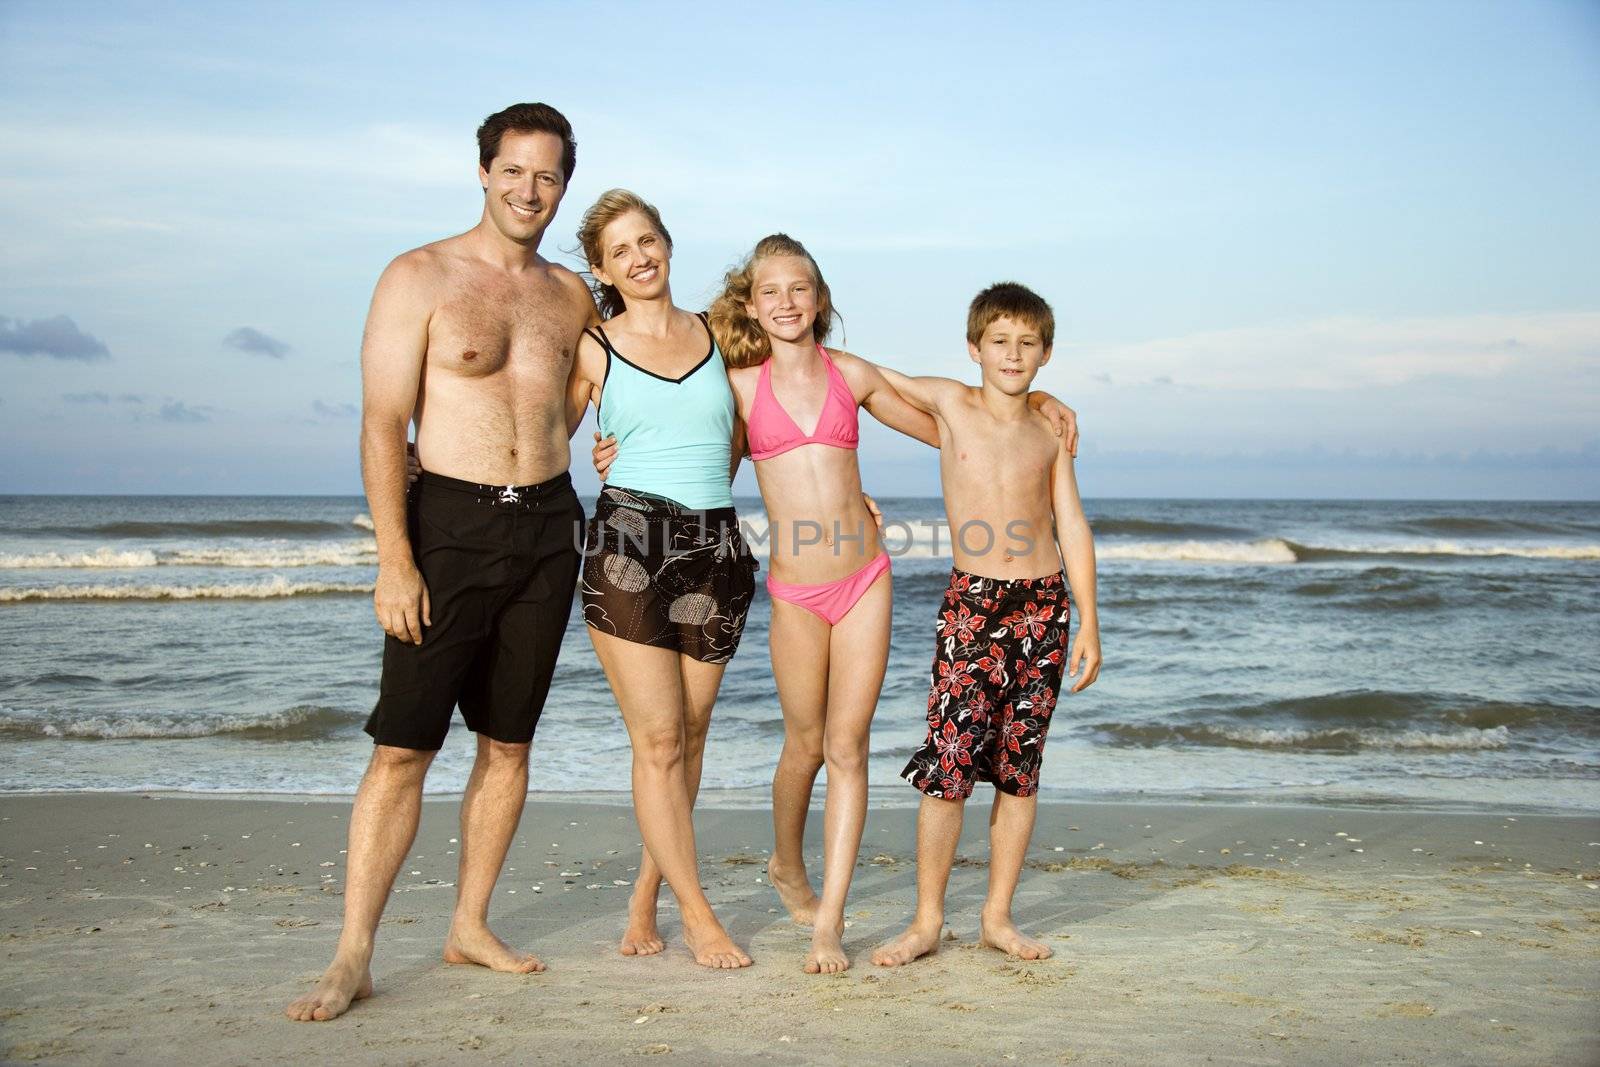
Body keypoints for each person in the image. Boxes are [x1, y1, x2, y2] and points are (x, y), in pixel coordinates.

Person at [596, 237, 1077, 973]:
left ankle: (829, 922)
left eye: (801, 289)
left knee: (847, 750)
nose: (787, 302)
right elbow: (689, 454)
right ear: (752, 303)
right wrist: (617, 454)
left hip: (865, 581)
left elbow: (959, 418)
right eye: (771, 292)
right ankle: (786, 864)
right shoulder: (738, 386)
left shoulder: (849, 374)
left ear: (819, 299)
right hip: (794, 590)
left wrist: (1035, 400)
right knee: (805, 746)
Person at [286, 103, 597, 1022]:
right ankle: (354, 954)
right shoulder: (417, 276)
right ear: (483, 171)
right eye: (513, 170)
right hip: (447, 524)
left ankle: (469, 922)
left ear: (562, 185)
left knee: (509, 742)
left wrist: (585, 444)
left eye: (546, 176)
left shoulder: (572, 295)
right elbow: (384, 423)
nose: (528, 189)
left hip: (547, 527)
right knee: (402, 749)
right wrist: (395, 557)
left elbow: (613, 379)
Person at [869, 281, 1101, 968]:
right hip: (975, 606)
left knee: (1020, 772)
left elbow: (1074, 524)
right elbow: (868, 379)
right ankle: (926, 919)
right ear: (975, 346)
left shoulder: (1048, 430)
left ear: (1046, 353)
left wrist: (1089, 619)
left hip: (1043, 606)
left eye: (1028, 343)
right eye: (1000, 341)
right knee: (949, 767)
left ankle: (997, 915)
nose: (1013, 353)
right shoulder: (950, 403)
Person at [564, 190, 758, 969]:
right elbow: (541, 437)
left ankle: (645, 893)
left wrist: (845, 489)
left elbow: (770, 423)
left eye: (648, 240)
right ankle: (698, 912)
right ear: (603, 270)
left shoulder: (721, 335)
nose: (639, 257)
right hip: (628, 545)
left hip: (716, 546)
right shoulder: (591, 347)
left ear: (667, 245)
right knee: (658, 736)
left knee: (692, 734)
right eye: (621, 250)